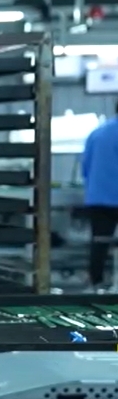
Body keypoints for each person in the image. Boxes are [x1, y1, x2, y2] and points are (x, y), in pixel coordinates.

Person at [81, 104, 118, 289]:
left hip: (99, 198)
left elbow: (85, 167)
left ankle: (95, 283)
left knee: (99, 242)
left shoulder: (97, 133)